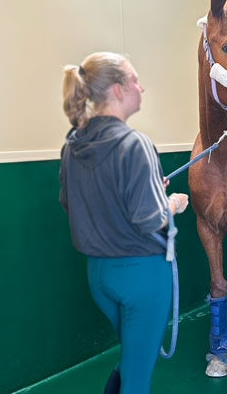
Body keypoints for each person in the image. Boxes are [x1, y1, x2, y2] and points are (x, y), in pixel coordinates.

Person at [59, 52, 189, 394]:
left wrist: (146, 190)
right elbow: (150, 220)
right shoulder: (136, 144)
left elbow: (71, 203)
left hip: (99, 277)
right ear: (117, 90)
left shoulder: (72, 145)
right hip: (141, 277)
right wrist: (172, 203)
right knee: (136, 379)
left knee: (132, 360)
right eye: (134, 80)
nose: (141, 87)